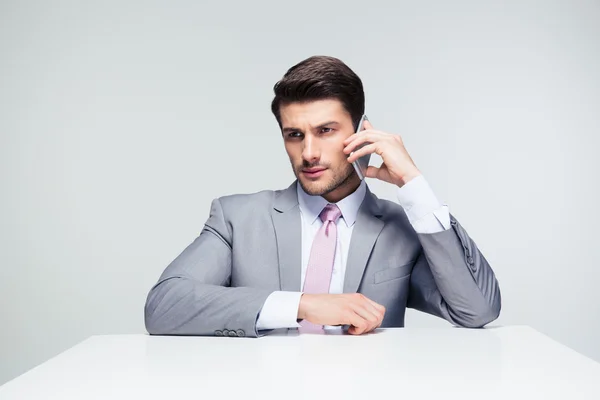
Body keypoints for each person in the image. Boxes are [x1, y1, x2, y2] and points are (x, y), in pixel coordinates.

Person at [144, 55, 501, 338]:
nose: (309, 152)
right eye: (294, 135)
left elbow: (477, 310)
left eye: (325, 130)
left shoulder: (399, 228)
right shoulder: (237, 217)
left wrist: (414, 184)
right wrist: (303, 305)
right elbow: (163, 305)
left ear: (363, 132)